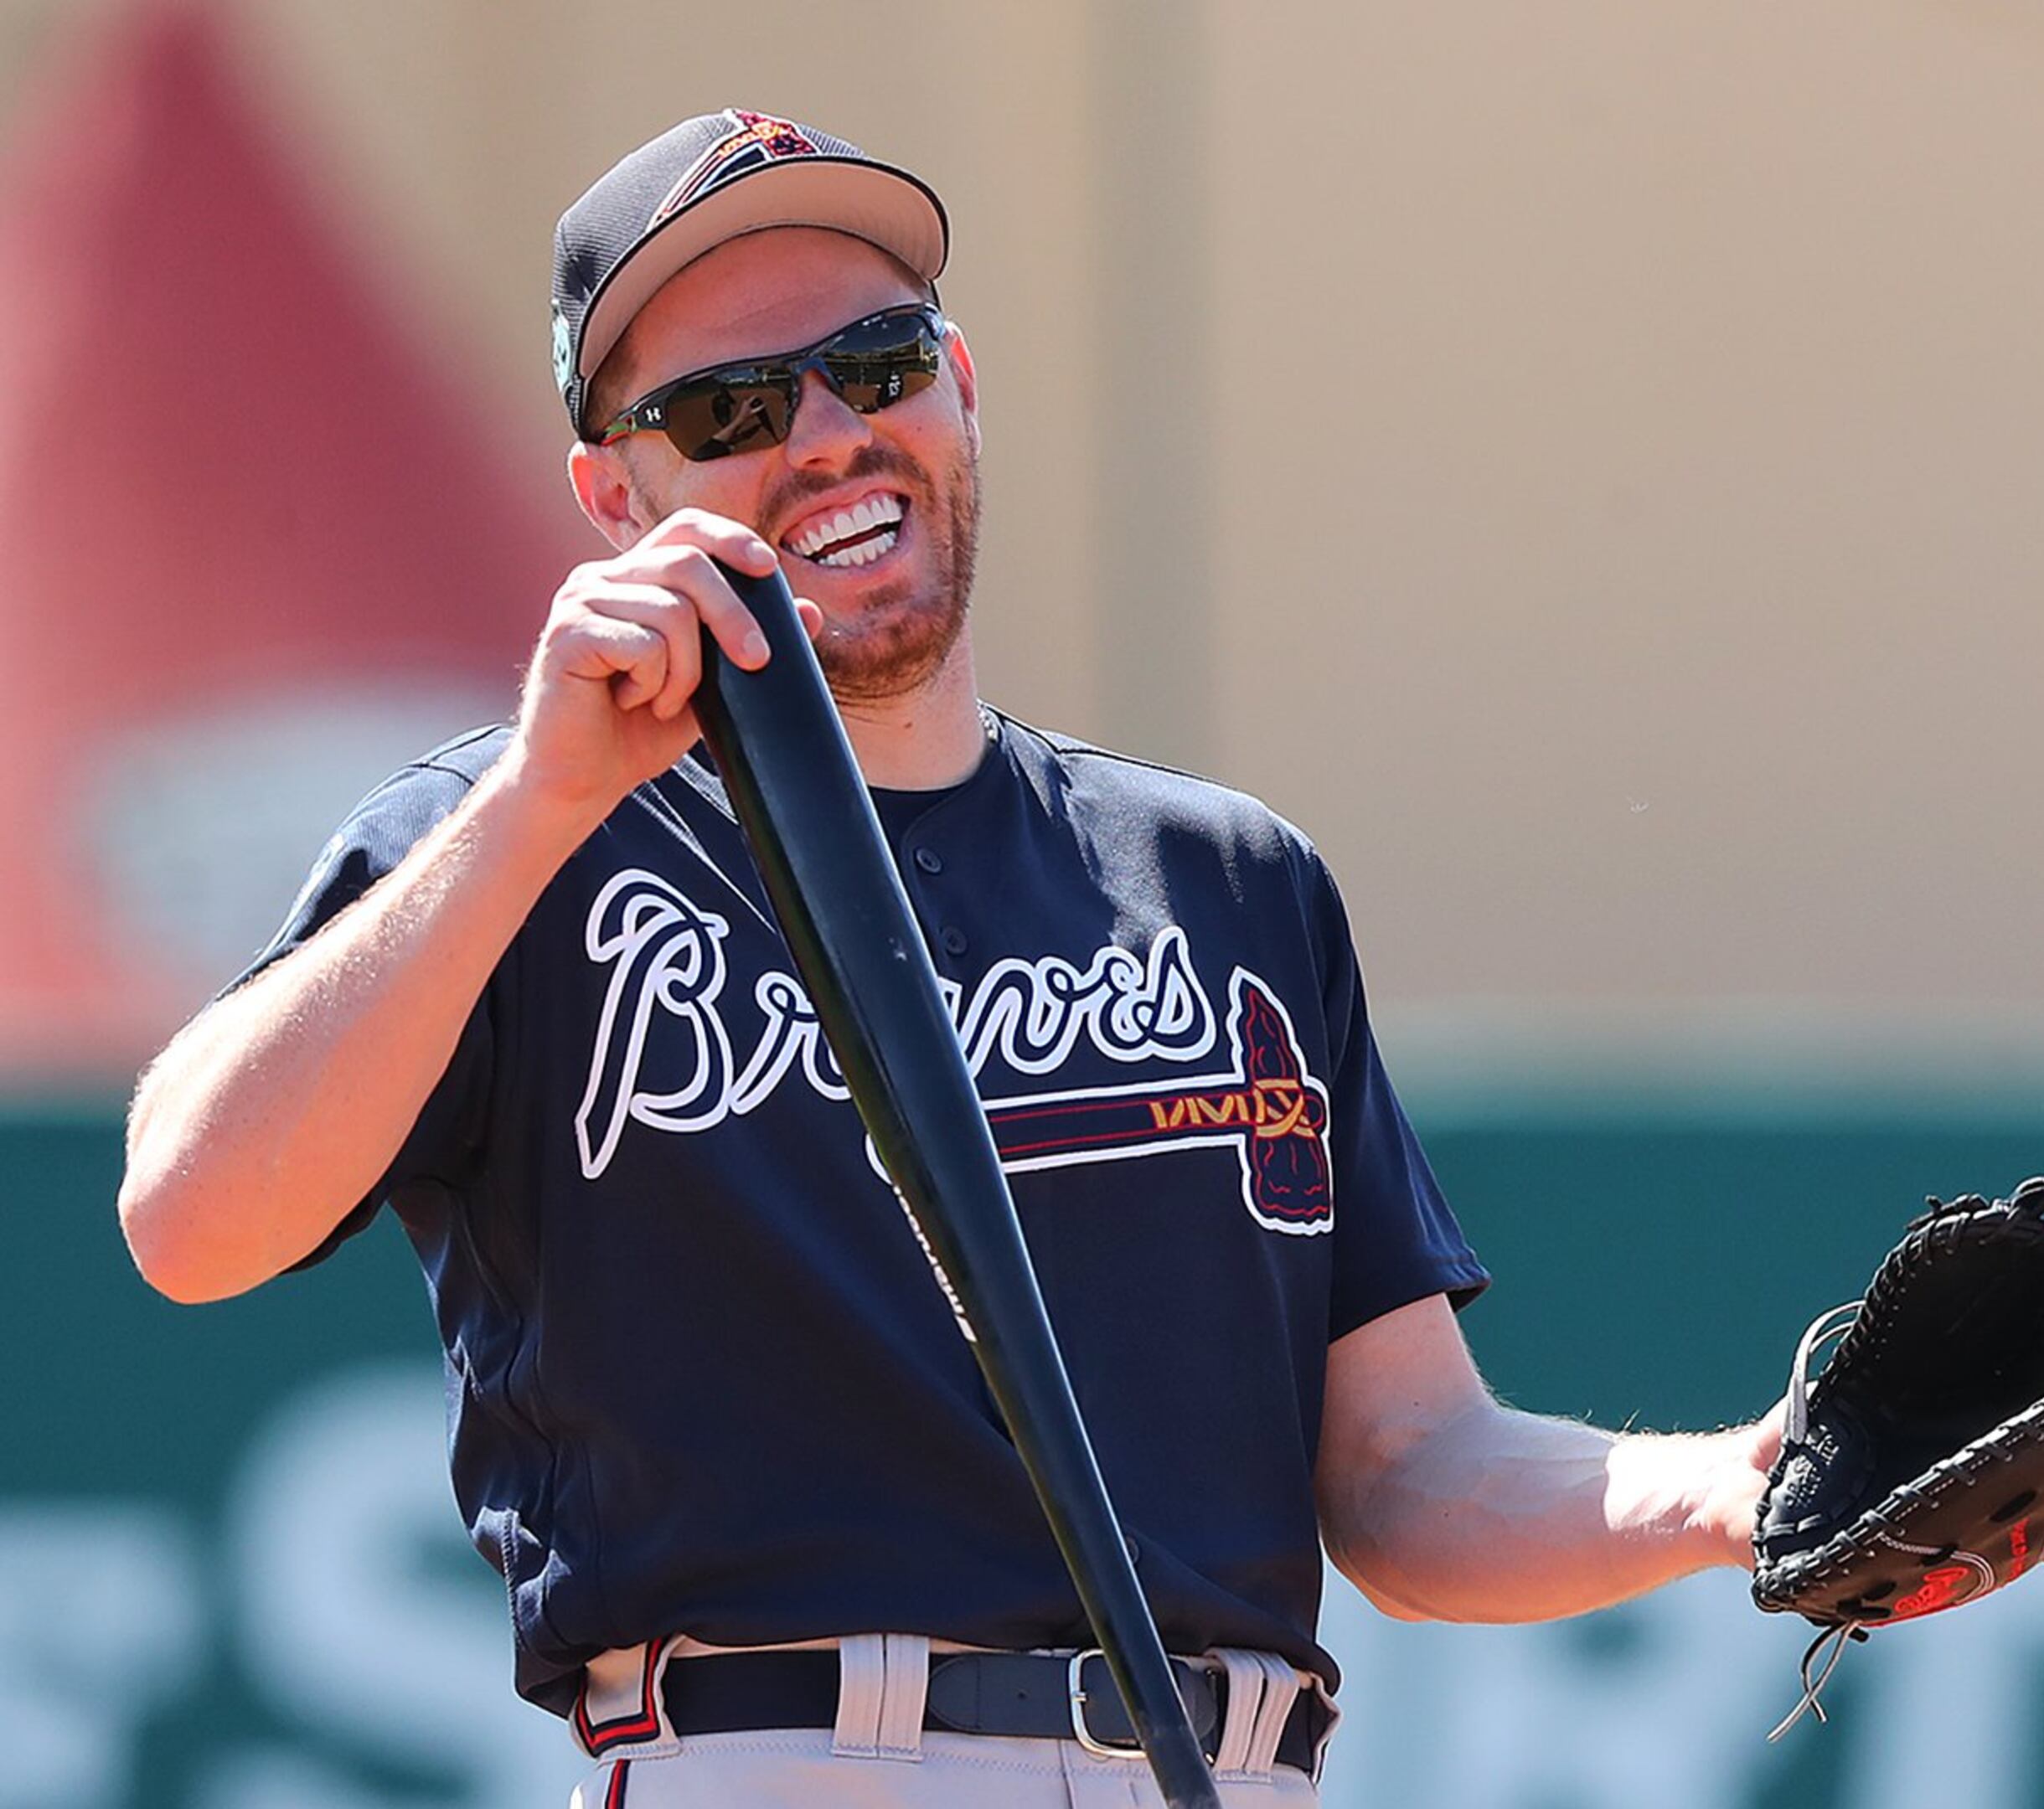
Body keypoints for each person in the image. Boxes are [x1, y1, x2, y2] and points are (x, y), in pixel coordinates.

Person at [115, 109, 1784, 1808]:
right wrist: (534, 810)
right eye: (730, 410)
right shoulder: (517, 849)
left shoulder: (1225, 878)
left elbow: (1409, 1468)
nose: (831, 434)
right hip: (787, 1757)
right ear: (617, 499)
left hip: (1220, 1767)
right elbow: (190, 1218)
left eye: (878, 360)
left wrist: (1733, 1491)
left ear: (961, 381)